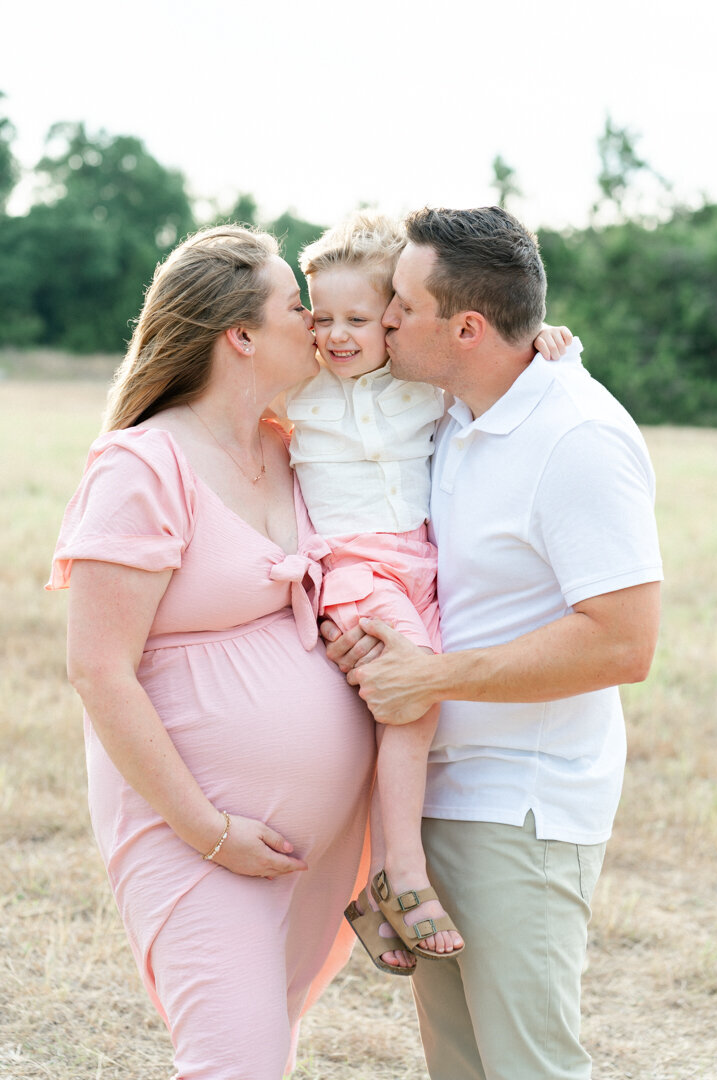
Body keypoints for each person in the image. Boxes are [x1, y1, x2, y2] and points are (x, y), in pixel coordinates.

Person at [323, 206, 663, 1080]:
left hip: (523, 808)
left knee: (528, 1067)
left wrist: (429, 677)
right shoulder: (450, 411)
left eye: (401, 303)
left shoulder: (578, 437)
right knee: (463, 1066)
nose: (384, 317)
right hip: (439, 801)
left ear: (466, 327)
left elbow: (622, 645)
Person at [46, 225, 376, 1080]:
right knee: (238, 1062)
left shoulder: (290, 447)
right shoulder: (141, 465)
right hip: (194, 834)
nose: (314, 324)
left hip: (311, 848)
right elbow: (97, 668)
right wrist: (209, 830)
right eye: (296, 307)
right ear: (240, 335)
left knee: (266, 1044)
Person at [287, 211, 569, 975]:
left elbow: (491, 368)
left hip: (420, 566)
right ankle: (404, 873)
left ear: (392, 322)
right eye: (322, 318)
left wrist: (544, 341)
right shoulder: (298, 390)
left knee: (411, 719)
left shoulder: (419, 393)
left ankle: (374, 889)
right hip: (353, 568)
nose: (338, 335)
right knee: (412, 699)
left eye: (361, 317)